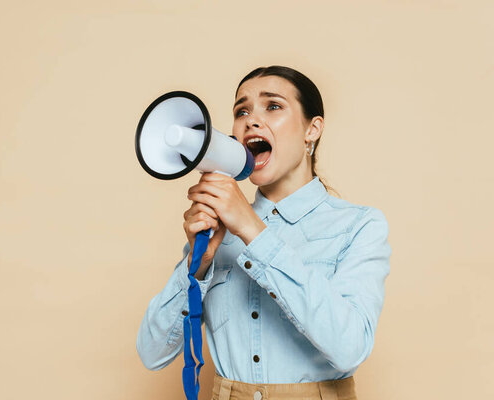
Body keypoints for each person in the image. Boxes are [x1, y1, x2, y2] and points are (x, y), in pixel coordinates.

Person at [136, 65, 391, 400]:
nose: (251, 121)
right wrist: (198, 266)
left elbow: (349, 347)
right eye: (242, 111)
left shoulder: (359, 226)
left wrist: (254, 231)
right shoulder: (218, 230)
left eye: (273, 106)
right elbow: (152, 353)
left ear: (312, 129)